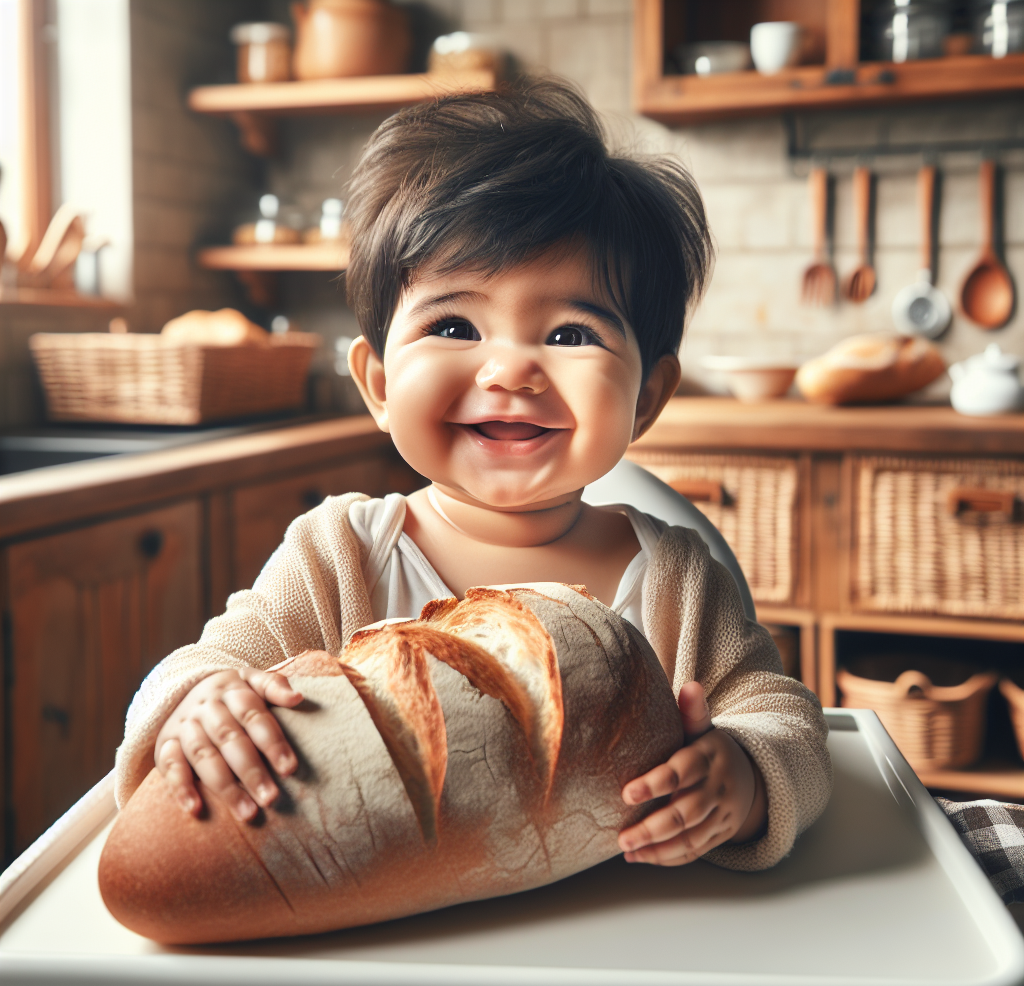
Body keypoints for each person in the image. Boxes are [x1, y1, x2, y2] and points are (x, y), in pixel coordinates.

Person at [115, 78, 831, 872]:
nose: (510, 369)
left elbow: (786, 717)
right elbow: (197, 668)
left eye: (570, 332)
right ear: (379, 384)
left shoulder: (678, 582)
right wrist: (201, 706)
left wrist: (745, 777)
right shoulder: (338, 556)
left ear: (647, 399)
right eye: (455, 324)